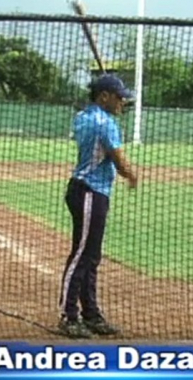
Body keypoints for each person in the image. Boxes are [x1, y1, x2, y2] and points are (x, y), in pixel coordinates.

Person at [57, 74, 138, 339]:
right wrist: (132, 174)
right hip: (91, 192)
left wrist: (111, 106)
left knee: (91, 256)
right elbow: (121, 164)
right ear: (103, 96)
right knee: (82, 255)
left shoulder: (84, 116)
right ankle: (68, 316)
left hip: (83, 190)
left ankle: (91, 314)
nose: (123, 102)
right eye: (118, 97)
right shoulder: (106, 124)